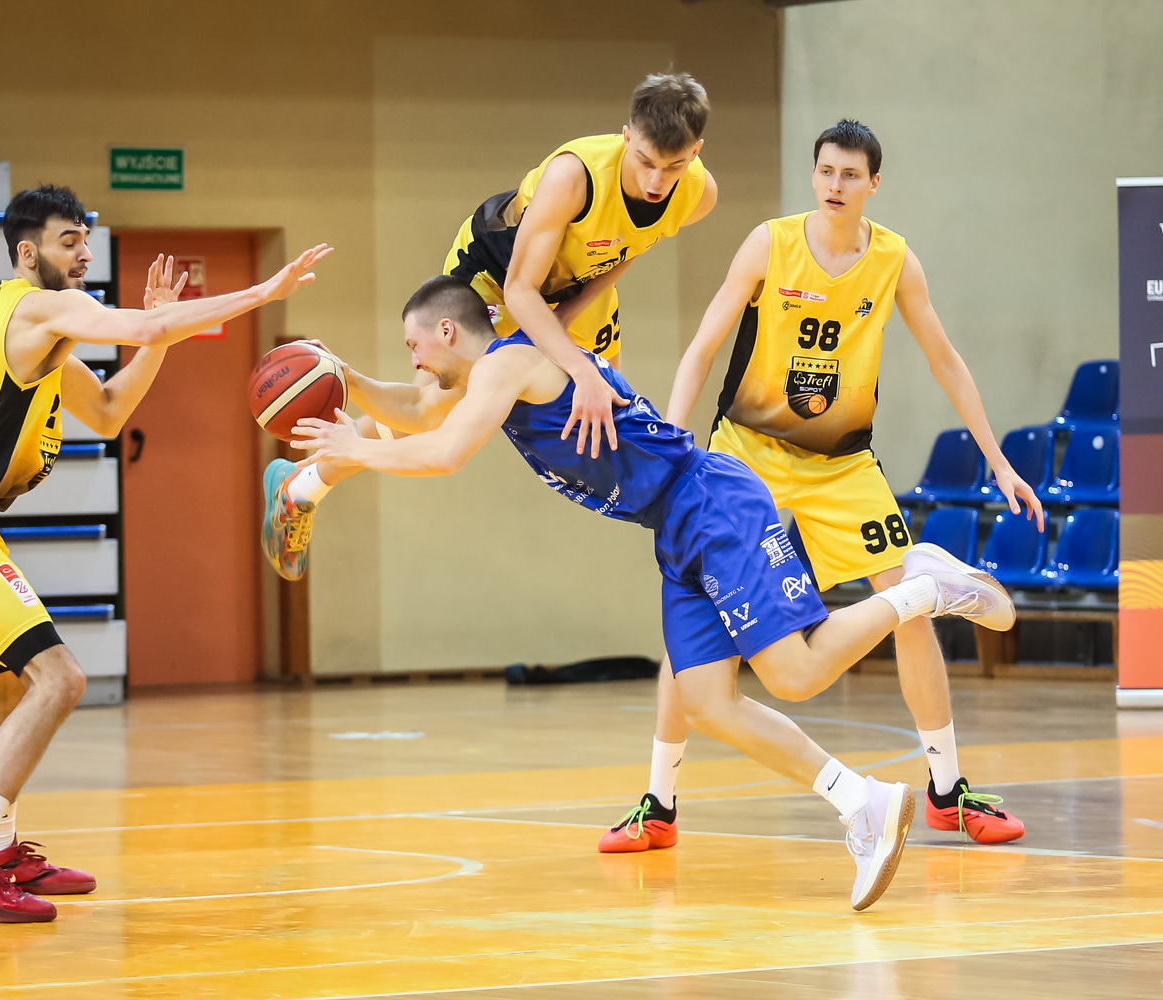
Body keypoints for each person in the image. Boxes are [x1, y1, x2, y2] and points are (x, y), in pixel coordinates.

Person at [288, 275, 1017, 911]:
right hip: (676, 525)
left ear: (447, 331)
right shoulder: (493, 378)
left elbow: (444, 451)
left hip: (712, 503)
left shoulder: (512, 361)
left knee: (795, 675)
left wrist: (357, 450)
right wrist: (343, 378)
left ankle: (923, 586)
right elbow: (418, 412)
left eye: (414, 346)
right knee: (704, 701)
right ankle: (863, 803)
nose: (414, 362)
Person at [599, 120, 1045, 854]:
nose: (835, 185)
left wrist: (998, 460)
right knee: (699, 621)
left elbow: (945, 359)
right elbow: (703, 346)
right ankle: (659, 802)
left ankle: (947, 792)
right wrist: (673, 446)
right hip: (746, 457)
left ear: (874, 184)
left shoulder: (894, 259)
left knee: (907, 605)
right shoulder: (769, 244)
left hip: (841, 463)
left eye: (850, 175)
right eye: (826, 172)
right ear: (814, 176)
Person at [0, 184, 331, 922]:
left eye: (85, 240)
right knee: (60, 679)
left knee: (15, 688)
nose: (84, 254)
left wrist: (154, 336)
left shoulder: (33, 328)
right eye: (68, 241)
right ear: (28, 252)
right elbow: (138, 326)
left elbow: (105, 412)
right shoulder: (35, 307)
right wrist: (265, 291)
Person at [263, 72, 717, 578]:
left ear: (695, 152)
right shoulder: (574, 177)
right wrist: (578, 367)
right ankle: (304, 482)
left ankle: (687, 522)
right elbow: (521, 290)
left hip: (576, 283)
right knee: (433, 411)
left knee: (609, 418)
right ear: (627, 137)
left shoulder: (698, 194)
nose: (656, 182)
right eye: (646, 162)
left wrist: (567, 321)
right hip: (500, 276)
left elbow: (630, 247)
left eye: (673, 167)